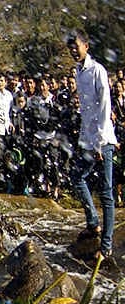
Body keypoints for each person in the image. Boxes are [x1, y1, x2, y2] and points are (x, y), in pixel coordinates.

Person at [67, 29, 119, 260]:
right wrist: (85, 137)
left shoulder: (97, 70)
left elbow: (105, 107)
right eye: (70, 48)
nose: (72, 51)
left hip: (103, 141)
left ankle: (106, 247)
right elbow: (86, 109)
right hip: (88, 140)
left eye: (75, 46)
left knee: (107, 193)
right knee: (77, 177)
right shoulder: (78, 71)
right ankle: (93, 223)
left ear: (86, 46)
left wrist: (98, 141)